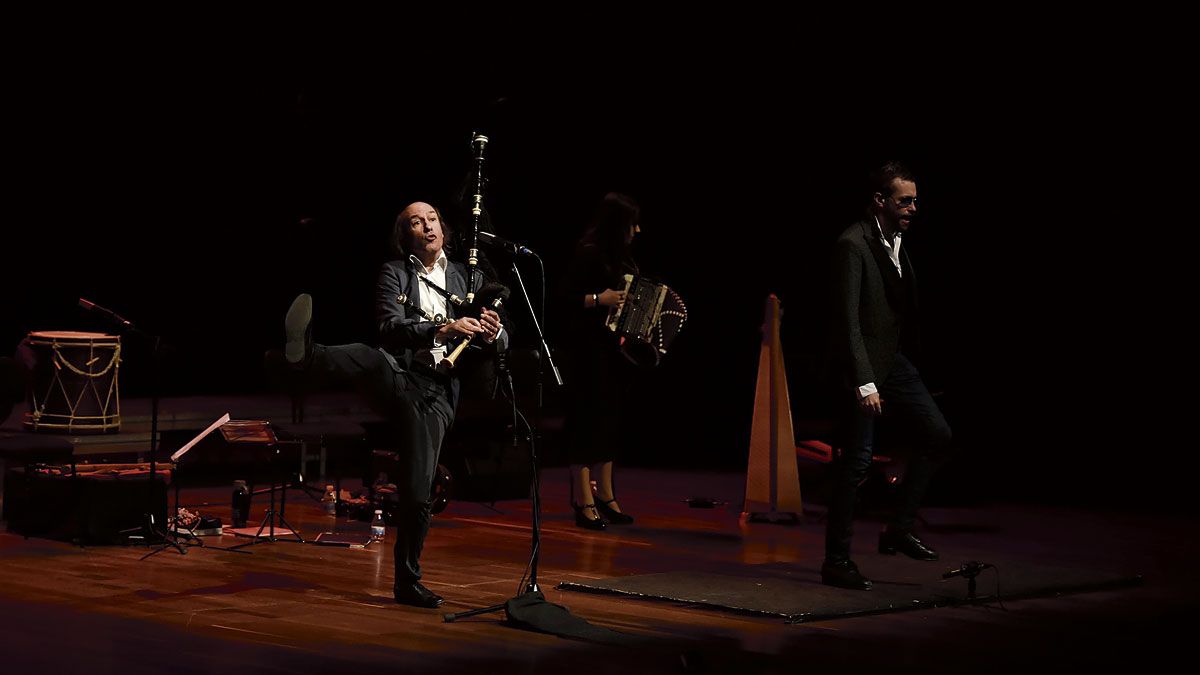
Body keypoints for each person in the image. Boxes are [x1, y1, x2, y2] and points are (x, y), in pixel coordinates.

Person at [282, 201, 507, 607]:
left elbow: (503, 338)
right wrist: (441, 329)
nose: (428, 226)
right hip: (401, 375)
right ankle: (306, 357)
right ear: (406, 236)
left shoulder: (466, 276)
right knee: (368, 356)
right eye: (416, 222)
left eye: (433, 219)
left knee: (419, 493)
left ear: (444, 228)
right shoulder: (394, 273)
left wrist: (493, 332)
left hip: (437, 393)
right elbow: (389, 327)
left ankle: (407, 582)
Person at [822, 162, 953, 591]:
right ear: (880, 201)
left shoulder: (895, 240)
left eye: (915, 200)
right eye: (905, 200)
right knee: (857, 463)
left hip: (891, 361)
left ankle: (897, 529)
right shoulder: (852, 244)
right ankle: (836, 560)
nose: (914, 208)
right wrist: (865, 383)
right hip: (862, 366)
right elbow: (847, 323)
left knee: (937, 434)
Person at [561, 192, 642, 530]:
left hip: (612, 351)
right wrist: (599, 299)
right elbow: (563, 299)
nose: (637, 230)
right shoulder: (588, 254)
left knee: (609, 422)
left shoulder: (622, 260)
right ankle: (582, 498)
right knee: (585, 422)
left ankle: (606, 495)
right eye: (632, 223)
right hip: (585, 351)